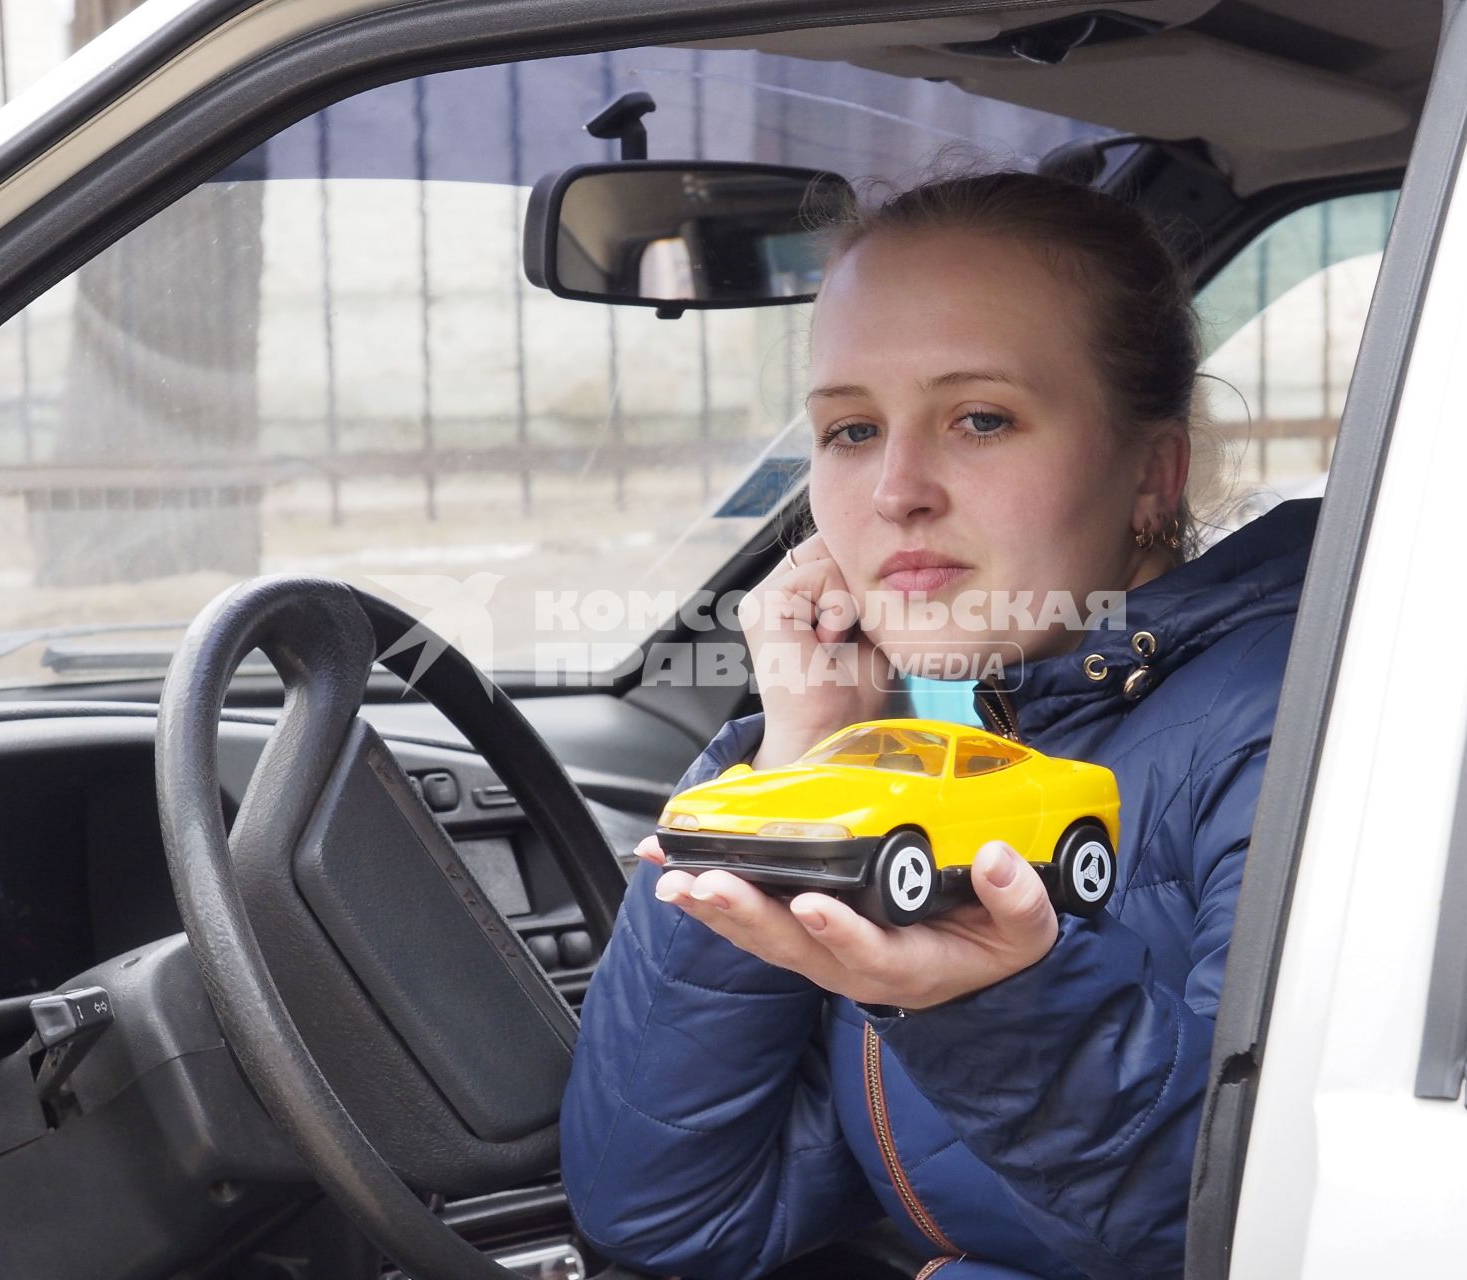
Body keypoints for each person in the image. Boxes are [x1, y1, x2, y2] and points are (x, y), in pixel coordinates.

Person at [560, 170, 1319, 1280]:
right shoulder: (934, 737)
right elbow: (672, 1214)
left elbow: (1251, 1224)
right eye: (853, 429)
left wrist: (988, 993)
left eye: (979, 418)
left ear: (1153, 471)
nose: (896, 491)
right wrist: (802, 757)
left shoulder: (1294, 729)